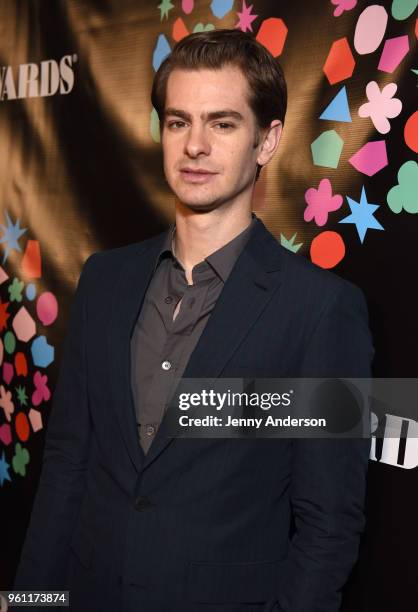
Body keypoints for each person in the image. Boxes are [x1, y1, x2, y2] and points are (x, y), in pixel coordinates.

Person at [14, 29, 374, 612]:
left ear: (267, 140)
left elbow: (328, 528)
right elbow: (65, 470)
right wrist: (33, 602)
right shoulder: (104, 280)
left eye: (223, 123)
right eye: (179, 122)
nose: (195, 146)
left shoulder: (323, 310)